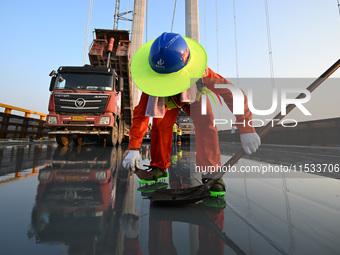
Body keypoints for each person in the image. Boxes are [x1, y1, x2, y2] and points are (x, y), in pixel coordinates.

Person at [122, 32, 260, 191]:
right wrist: (133, 148)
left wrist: (246, 128)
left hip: (192, 94)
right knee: (160, 125)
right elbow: (141, 115)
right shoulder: (152, 84)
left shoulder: (202, 74)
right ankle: (159, 167)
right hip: (166, 96)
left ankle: (210, 171)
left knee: (206, 123)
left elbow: (232, 93)